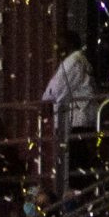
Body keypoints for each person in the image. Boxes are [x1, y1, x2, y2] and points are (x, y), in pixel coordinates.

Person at [42, 29, 97, 185]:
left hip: (77, 123)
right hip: (79, 122)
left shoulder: (73, 61)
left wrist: (46, 99)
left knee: (76, 170)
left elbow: (56, 90)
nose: (57, 47)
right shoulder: (80, 61)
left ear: (70, 43)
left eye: (60, 43)